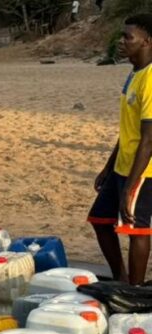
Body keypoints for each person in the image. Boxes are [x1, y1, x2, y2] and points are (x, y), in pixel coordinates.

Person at [89, 14, 152, 284]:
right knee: (100, 220)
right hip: (121, 166)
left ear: (147, 41)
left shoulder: (150, 78)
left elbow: (149, 139)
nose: (122, 41)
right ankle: (121, 279)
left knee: (137, 230)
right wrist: (108, 167)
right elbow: (128, 129)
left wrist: (130, 186)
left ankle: (135, 293)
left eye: (129, 37)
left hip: (143, 170)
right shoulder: (134, 74)